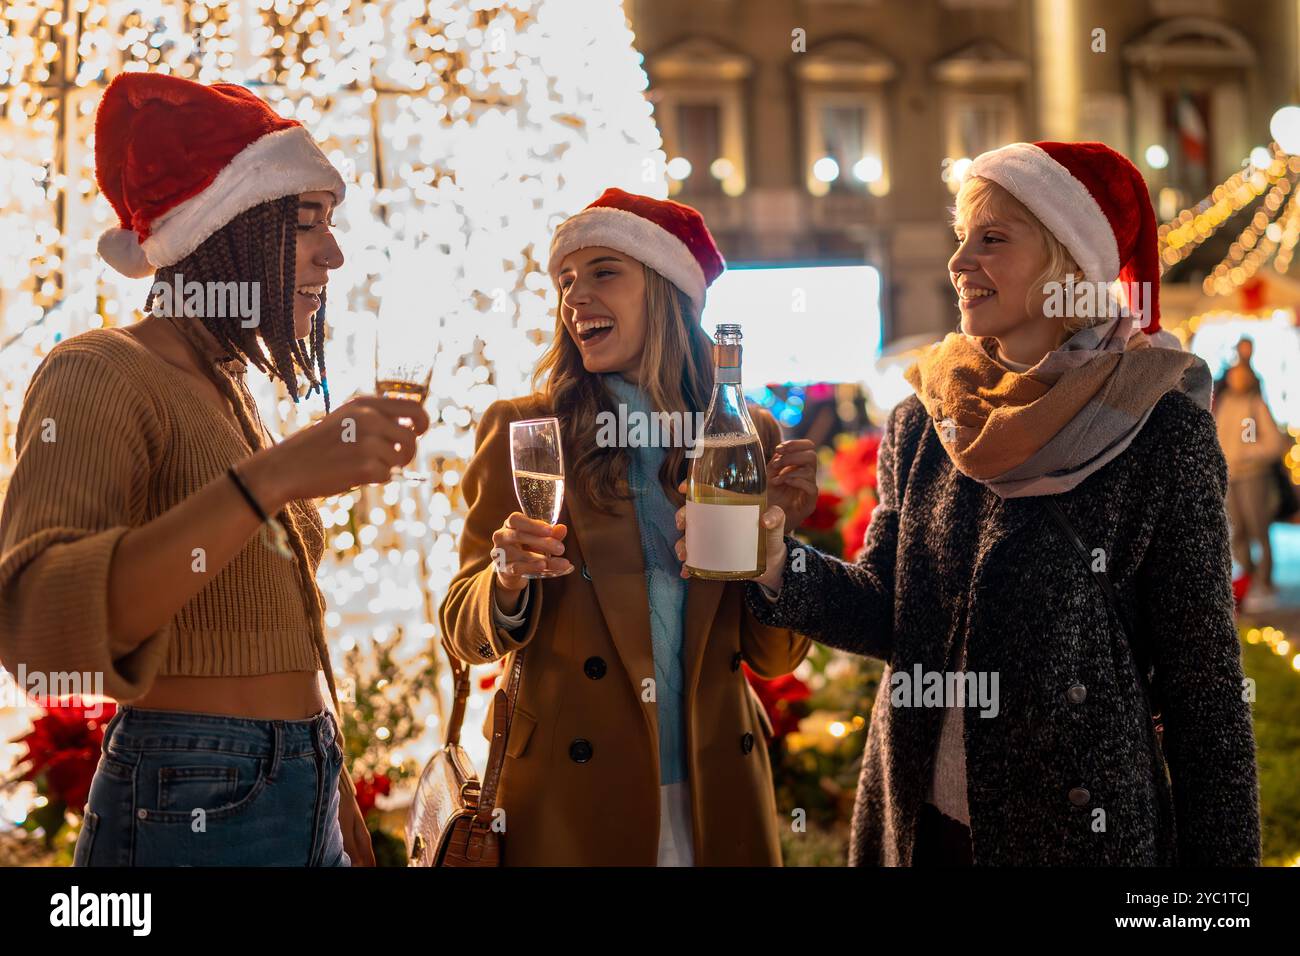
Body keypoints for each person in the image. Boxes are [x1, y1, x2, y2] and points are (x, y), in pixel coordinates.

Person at [681, 142, 1260, 865]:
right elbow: (887, 610)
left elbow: (1203, 692)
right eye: (962, 239)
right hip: (924, 826)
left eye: (992, 239)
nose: (959, 263)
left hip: (1078, 839)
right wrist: (774, 563)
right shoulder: (925, 416)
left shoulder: (1159, 424)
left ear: (1067, 266)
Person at [0, 73, 429, 866]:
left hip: (301, 782)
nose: (334, 255)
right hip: (193, 791)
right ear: (224, 233)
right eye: (307, 225)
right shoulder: (98, 369)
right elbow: (36, 630)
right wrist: (273, 478)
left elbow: (291, 652)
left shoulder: (231, 393)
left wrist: (340, 818)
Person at [440, 188, 818, 865]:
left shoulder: (743, 433)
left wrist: (779, 553)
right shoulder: (527, 429)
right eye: (565, 280)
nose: (575, 296)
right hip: (568, 801)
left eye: (604, 272)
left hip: (717, 796)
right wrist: (503, 582)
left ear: (669, 293)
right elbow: (460, 629)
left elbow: (775, 658)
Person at [1214, 339, 1288, 612]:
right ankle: (1249, 577)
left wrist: (1248, 453)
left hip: (1254, 476)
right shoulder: (1224, 403)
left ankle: (1265, 581)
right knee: (1238, 531)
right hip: (1232, 476)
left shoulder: (1256, 405)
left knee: (1259, 528)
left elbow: (1273, 443)